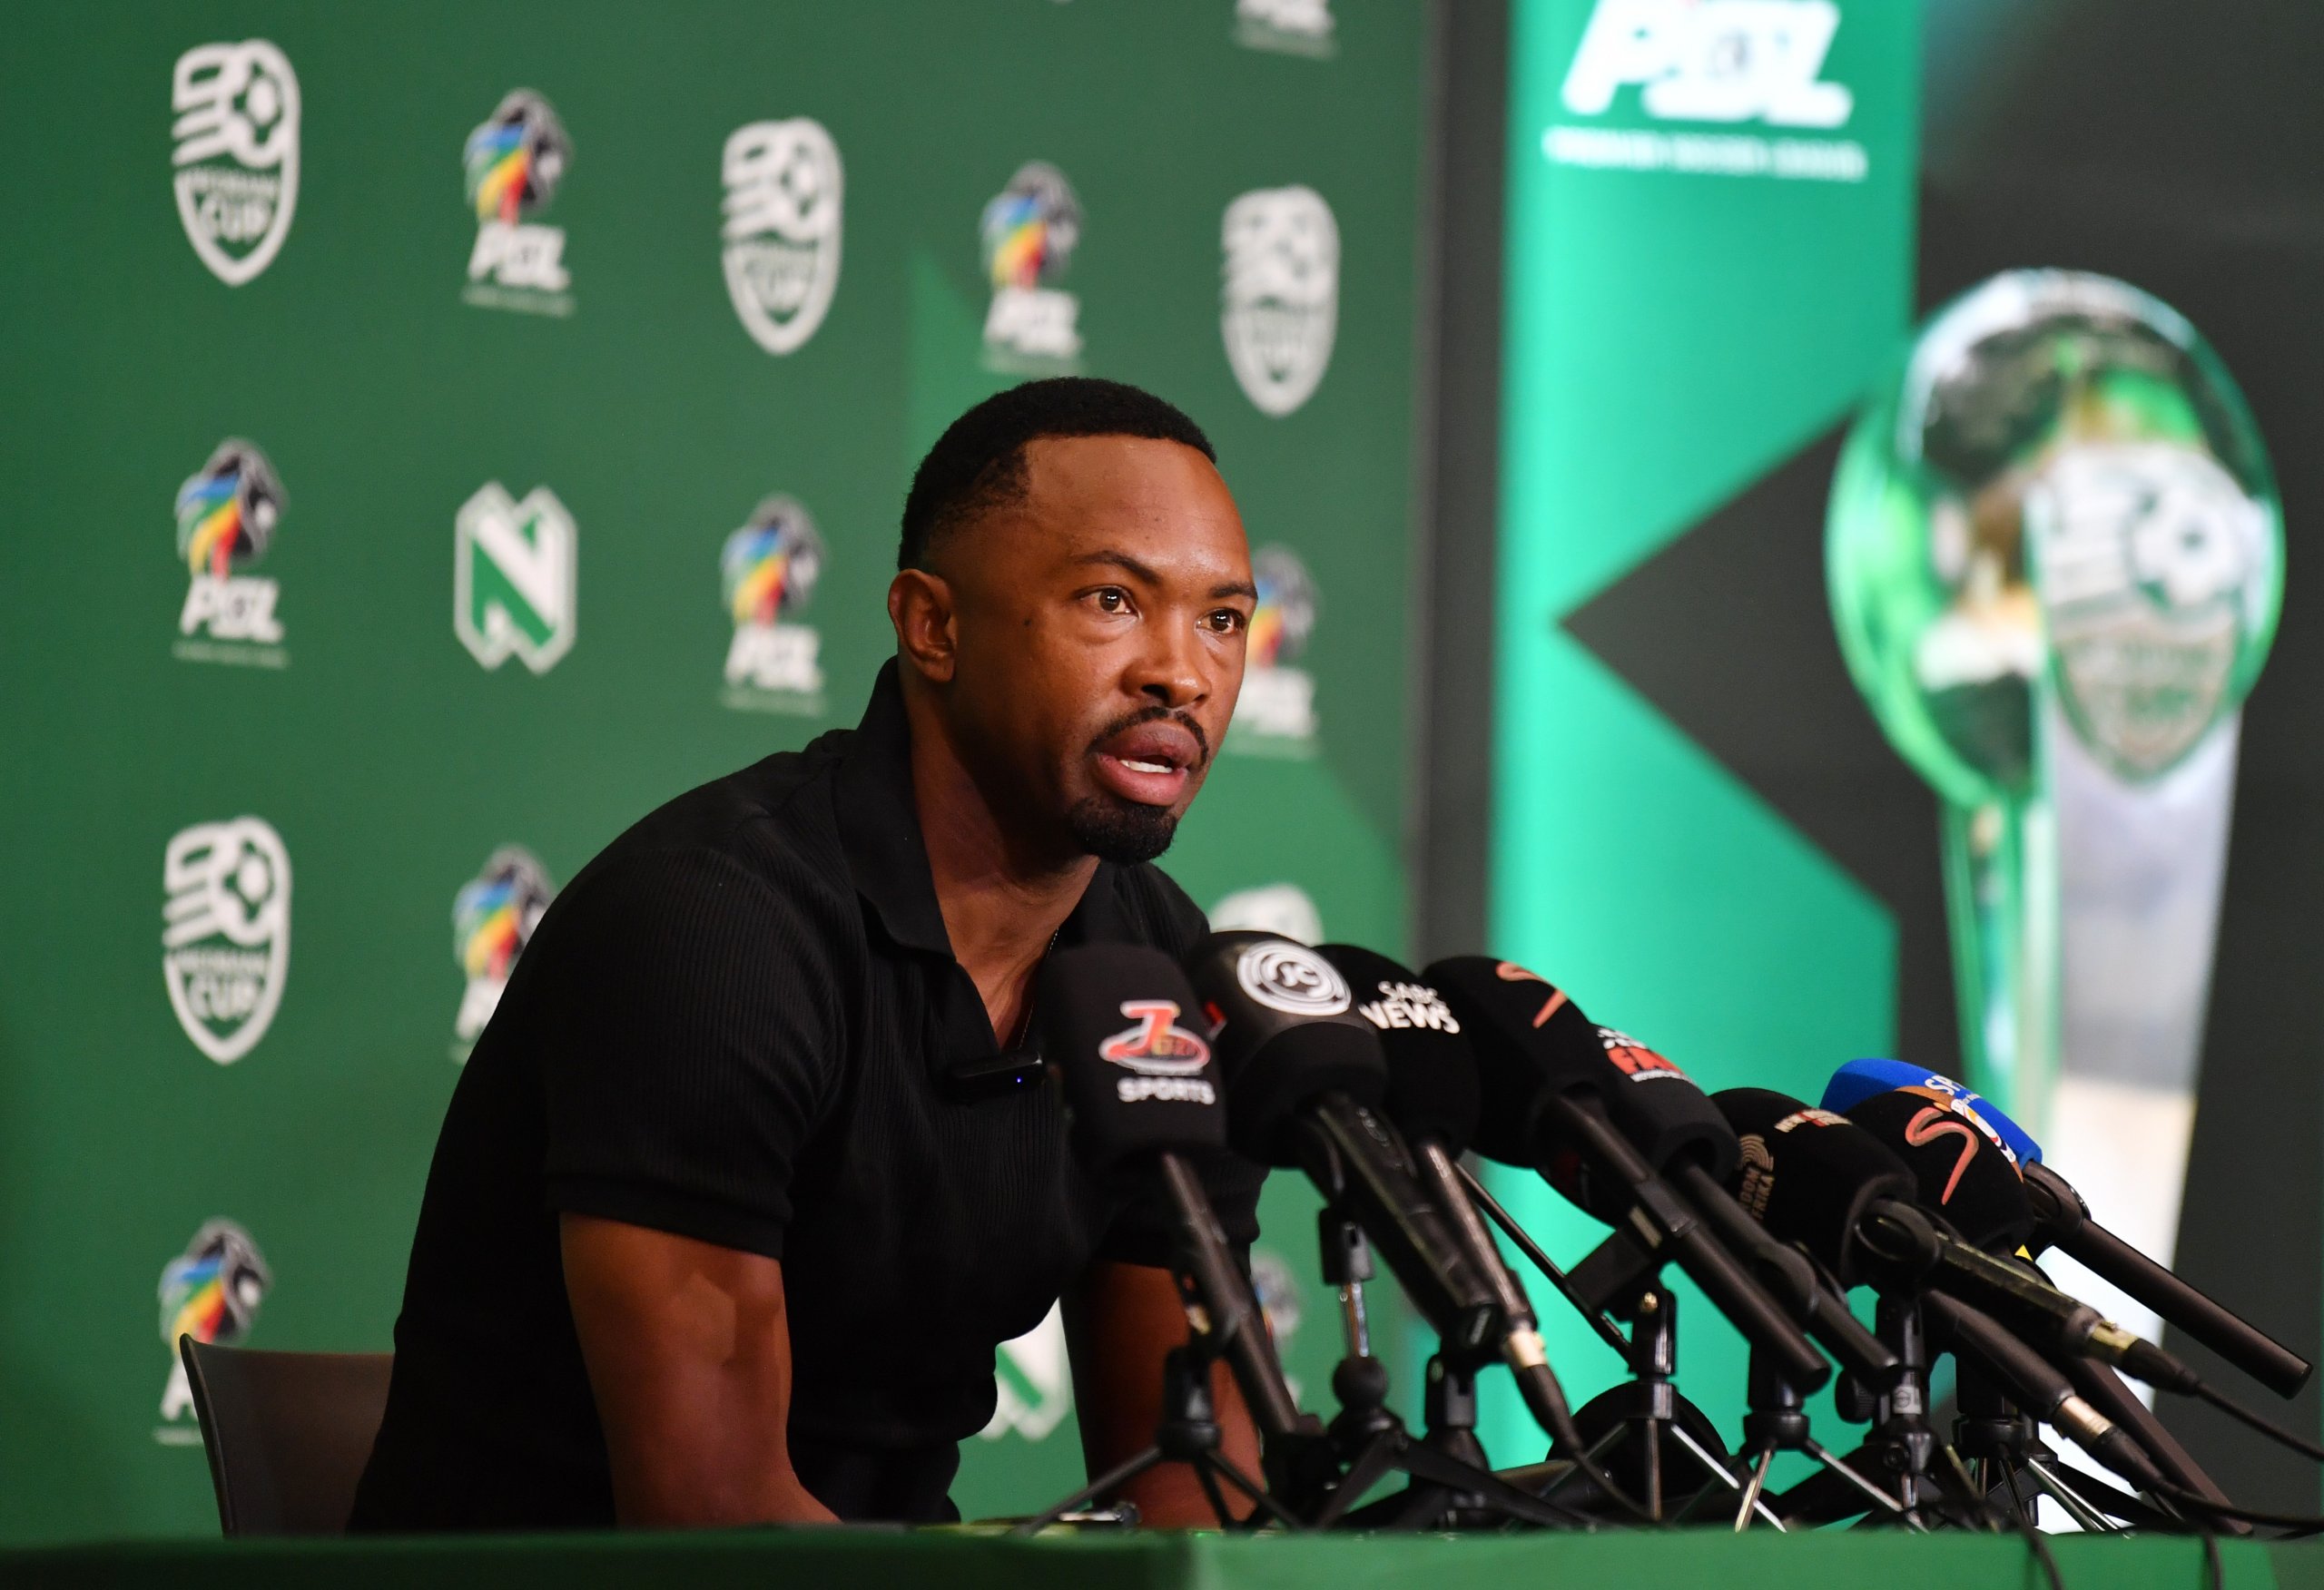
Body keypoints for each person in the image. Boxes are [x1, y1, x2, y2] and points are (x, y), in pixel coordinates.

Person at [350, 378, 1269, 1529]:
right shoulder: (716, 932)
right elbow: (713, 1516)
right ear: (931, 624)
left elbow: (1194, 1484)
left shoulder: (1158, 969)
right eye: (1111, 600)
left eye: (1222, 620)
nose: (1181, 673)